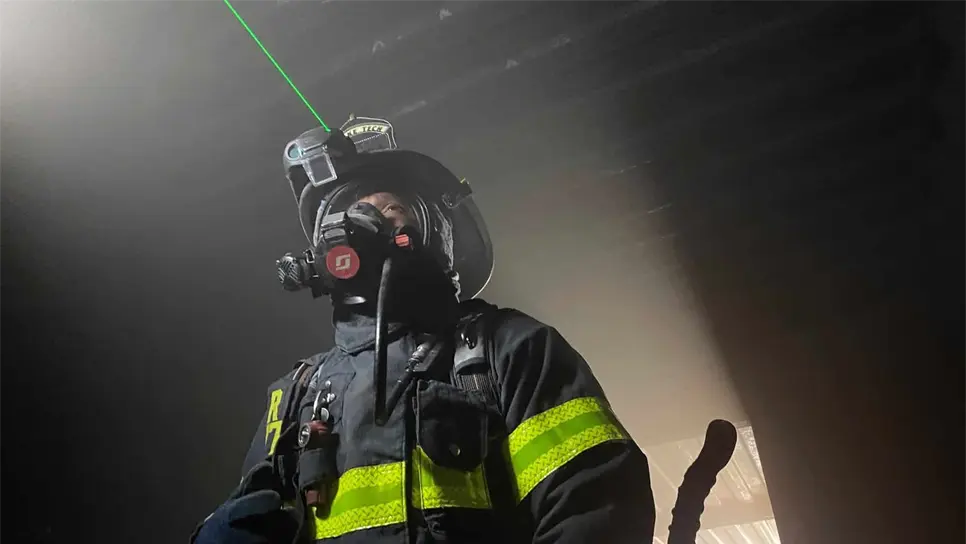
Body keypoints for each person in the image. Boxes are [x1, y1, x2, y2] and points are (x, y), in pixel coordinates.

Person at [191, 115, 657, 544]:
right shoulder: (297, 395)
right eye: (347, 210)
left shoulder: (509, 349)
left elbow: (595, 504)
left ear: (436, 232)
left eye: (390, 207)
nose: (363, 220)